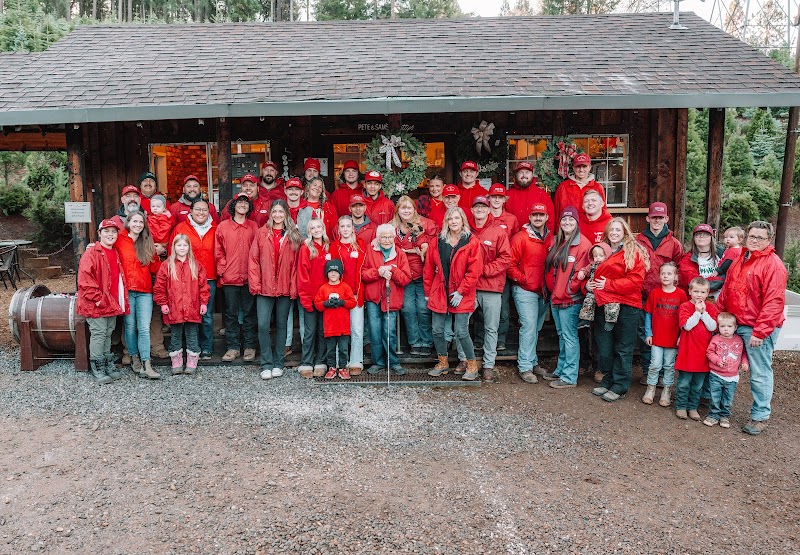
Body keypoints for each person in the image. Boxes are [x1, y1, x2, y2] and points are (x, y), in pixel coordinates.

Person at [717, 220, 787, 435]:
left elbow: (774, 302)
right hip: (735, 321)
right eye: (752, 236)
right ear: (746, 237)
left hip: (757, 327)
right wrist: (720, 315)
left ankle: (760, 416)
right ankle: (715, 406)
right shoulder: (740, 259)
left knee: (759, 372)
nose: (755, 240)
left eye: (760, 238)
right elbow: (728, 289)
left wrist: (760, 331)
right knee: (722, 363)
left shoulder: (773, 265)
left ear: (769, 240)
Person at [588, 217, 648, 402]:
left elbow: (636, 282)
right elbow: (592, 273)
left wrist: (609, 284)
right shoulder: (602, 250)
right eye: (611, 229)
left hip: (626, 305)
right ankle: (608, 380)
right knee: (605, 347)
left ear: (625, 232)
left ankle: (620, 385)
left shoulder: (633, 252)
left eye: (618, 230)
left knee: (623, 347)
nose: (614, 232)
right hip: (604, 305)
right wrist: (588, 285)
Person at [425, 207, 482, 381]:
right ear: (446, 222)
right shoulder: (438, 241)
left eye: (457, 218)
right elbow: (428, 268)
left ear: (463, 220)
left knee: (461, 331)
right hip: (440, 289)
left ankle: (472, 366)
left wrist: (461, 291)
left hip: (462, 291)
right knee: (436, 330)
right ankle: (443, 362)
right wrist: (428, 292)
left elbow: (475, 271)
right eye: (450, 219)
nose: (454, 221)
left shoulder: (471, 241)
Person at [248, 200, 302, 380]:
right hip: (265, 287)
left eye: (281, 212)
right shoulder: (262, 233)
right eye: (275, 211)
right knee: (263, 325)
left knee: (281, 326)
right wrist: (255, 284)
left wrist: (294, 287)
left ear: (286, 214)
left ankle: (278, 362)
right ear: (270, 213)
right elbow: (253, 260)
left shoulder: (294, 235)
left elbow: (296, 265)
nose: (278, 215)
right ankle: (266, 363)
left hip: (285, 287)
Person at [543, 206, 592, 389]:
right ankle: (561, 369)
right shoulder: (558, 241)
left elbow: (582, 272)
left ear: (577, 223)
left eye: (571, 220)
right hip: (555, 298)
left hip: (570, 300)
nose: (567, 222)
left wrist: (569, 290)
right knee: (562, 336)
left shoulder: (583, 244)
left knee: (570, 337)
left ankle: (570, 376)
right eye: (564, 219)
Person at [636, 201, 685, 383]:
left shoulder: (674, 244)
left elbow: (679, 269)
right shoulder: (638, 241)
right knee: (644, 333)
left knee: (667, 333)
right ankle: (648, 371)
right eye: (654, 217)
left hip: (666, 298)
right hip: (643, 295)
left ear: (666, 218)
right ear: (648, 218)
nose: (657, 220)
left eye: (660, 217)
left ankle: (665, 373)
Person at [77, 219, 128, 385]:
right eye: (106, 231)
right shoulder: (91, 253)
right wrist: (98, 299)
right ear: (99, 234)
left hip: (112, 302)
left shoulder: (116, 252)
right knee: (99, 334)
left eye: (113, 232)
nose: (110, 234)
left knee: (108, 333)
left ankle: (107, 364)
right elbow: (85, 280)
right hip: (96, 303)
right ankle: (97, 367)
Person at [507, 203, 552, 384]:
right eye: (535, 215)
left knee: (536, 328)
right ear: (530, 217)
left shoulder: (551, 238)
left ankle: (532, 361)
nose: (538, 218)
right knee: (529, 327)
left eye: (541, 215)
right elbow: (510, 264)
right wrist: (523, 279)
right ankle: (525, 366)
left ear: (546, 217)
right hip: (525, 290)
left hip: (544, 291)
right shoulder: (520, 237)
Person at [468, 196, 511, 381]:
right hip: (469, 287)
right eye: (476, 207)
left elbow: (506, 258)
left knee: (491, 328)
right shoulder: (465, 231)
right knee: (462, 325)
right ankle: (465, 360)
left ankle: (488, 365)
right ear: (471, 210)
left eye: (483, 207)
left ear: (488, 210)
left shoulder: (498, 232)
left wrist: (484, 270)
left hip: (491, 286)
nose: (479, 210)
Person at [154, 234, 210, 376]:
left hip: (192, 307)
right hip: (174, 308)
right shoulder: (167, 265)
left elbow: (204, 286)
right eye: (179, 245)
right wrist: (163, 303)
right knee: (176, 335)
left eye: (185, 245)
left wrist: (204, 302)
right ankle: (177, 362)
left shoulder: (196, 265)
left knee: (192, 334)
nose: (182, 248)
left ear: (189, 247)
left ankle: (192, 362)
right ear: (174, 247)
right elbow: (159, 287)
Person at [117, 210, 161, 380]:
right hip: (127, 290)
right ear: (128, 222)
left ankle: (146, 363)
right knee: (130, 326)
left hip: (144, 291)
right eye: (134, 221)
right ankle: (134, 357)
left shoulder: (147, 243)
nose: (137, 225)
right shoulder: (119, 240)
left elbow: (155, 267)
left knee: (143, 327)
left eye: (140, 222)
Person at [171, 199, 217, 360]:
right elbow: (173, 254)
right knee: (189, 313)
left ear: (209, 212)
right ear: (190, 211)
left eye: (205, 210)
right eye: (198, 209)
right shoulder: (181, 228)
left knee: (206, 314)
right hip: (186, 278)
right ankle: (192, 347)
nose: (201, 213)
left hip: (209, 277)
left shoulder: (215, 228)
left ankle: (206, 347)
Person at [362, 223, 412, 376]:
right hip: (374, 298)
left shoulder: (399, 253)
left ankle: (393, 362)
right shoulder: (369, 250)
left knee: (389, 331)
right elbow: (363, 273)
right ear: (378, 237)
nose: (387, 240)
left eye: (390, 236)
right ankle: (378, 362)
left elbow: (406, 278)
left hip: (391, 298)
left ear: (394, 237)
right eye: (383, 237)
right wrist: (378, 272)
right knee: (375, 331)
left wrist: (393, 269)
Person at [215, 193, 259, 363]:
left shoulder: (254, 227)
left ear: (249, 207)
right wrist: (222, 270)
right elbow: (218, 251)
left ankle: (249, 347)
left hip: (249, 277)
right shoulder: (223, 227)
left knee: (249, 313)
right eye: (239, 202)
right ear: (233, 206)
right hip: (230, 277)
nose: (242, 205)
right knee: (231, 314)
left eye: (245, 202)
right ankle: (232, 347)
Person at [393, 196, 437, 357]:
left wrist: (419, 243)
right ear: (398, 210)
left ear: (414, 209)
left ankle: (426, 342)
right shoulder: (393, 227)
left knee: (423, 308)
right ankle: (414, 342)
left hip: (423, 274)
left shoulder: (426, 224)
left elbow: (433, 244)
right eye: (402, 207)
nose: (406, 210)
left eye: (409, 207)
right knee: (408, 309)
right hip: (403, 275)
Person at [641, 262, 687, 407]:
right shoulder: (655, 293)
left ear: (675, 277)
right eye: (663, 273)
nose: (666, 276)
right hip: (657, 337)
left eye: (669, 273)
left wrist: (681, 336)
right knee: (654, 364)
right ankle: (651, 389)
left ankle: (666, 390)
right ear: (659, 276)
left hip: (673, 339)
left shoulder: (681, 294)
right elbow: (648, 314)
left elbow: (684, 317)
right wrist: (648, 333)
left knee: (669, 365)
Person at [674, 277, 718, 420]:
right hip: (687, 351)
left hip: (703, 353)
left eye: (702, 292)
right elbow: (687, 325)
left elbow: (713, 327)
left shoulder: (711, 308)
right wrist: (697, 312)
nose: (699, 295)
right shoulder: (685, 307)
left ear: (707, 293)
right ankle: (681, 406)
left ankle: (692, 407)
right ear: (690, 291)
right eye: (696, 291)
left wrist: (704, 313)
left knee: (697, 384)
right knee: (684, 382)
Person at [330, 215, 367, 374]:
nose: (345, 229)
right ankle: (339, 362)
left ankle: (356, 360)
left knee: (357, 329)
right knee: (340, 329)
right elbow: (331, 272)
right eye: (342, 226)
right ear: (338, 229)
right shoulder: (334, 246)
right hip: (340, 294)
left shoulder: (360, 245)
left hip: (357, 292)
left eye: (348, 226)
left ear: (353, 228)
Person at [486, 183, 519, 350]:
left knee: (503, 307)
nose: (496, 200)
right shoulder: (484, 217)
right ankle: (480, 338)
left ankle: (501, 339)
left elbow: (514, 244)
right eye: (493, 197)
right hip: (484, 270)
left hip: (503, 270)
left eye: (500, 197)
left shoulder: (511, 219)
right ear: (489, 198)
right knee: (481, 307)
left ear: (505, 199)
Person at [297, 218, 330, 378]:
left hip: (326, 298)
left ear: (323, 228)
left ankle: (321, 361)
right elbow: (303, 275)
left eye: (319, 227)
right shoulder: (306, 248)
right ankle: (306, 361)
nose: (317, 230)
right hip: (311, 297)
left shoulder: (329, 246)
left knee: (323, 331)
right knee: (310, 331)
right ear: (309, 231)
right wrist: (305, 298)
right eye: (313, 228)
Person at [704, 312, 749, 428]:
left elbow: (743, 353)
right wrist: (717, 360)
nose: (726, 329)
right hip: (716, 374)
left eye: (729, 326)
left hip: (732, 376)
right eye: (722, 326)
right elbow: (709, 352)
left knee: (728, 398)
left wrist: (744, 362)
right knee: (715, 396)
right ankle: (713, 415)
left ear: (735, 327)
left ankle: (724, 416)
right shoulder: (716, 339)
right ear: (718, 327)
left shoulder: (739, 340)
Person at [314, 259, 357, 380]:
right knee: (330, 349)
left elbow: (353, 302)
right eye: (330, 271)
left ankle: (343, 368)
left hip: (343, 326)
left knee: (343, 349)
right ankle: (331, 367)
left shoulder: (345, 287)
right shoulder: (324, 288)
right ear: (326, 273)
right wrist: (326, 304)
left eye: (336, 272)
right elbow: (317, 304)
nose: (333, 274)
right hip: (329, 327)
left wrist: (342, 302)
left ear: (340, 274)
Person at [553, 153, 608, 220]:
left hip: (590, 226)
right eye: (578, 166)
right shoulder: (563, 187)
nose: (581, 170)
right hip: (569, 227)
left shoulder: (598, 187)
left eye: (584, 166)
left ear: (589, 167)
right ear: (573, 168)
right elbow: (557, 212)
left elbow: (603, 211)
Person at [505, 161, 555, 232]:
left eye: (527, 172)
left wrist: (548, 239)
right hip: (512, 239)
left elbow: (550, 220)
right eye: (521, 172)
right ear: (516, 175)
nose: (524, 175)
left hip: (536, 240)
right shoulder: (508, 195)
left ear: (532, 175)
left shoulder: (542, 195)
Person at [575, 243, 615, 330]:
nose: (598, 258)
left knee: (612, 304)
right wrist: (582, 272)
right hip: (594, 289)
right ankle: (586, 319)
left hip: (607, 290)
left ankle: (610, 320)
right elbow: (585, 269)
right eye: (595, 256)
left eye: (601, 256)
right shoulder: (592, 266)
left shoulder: (610, 266)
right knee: (588, 300)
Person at [678, 223, 724, 294]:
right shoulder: (687, 259)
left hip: (720, 300)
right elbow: (695, 283)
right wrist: (721, 280)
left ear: (711, 237)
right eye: (698, 234)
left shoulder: (723, 254)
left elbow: (730, 275)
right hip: (697, 299)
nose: (701, 236)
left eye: (705, 234)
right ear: (694, 239)